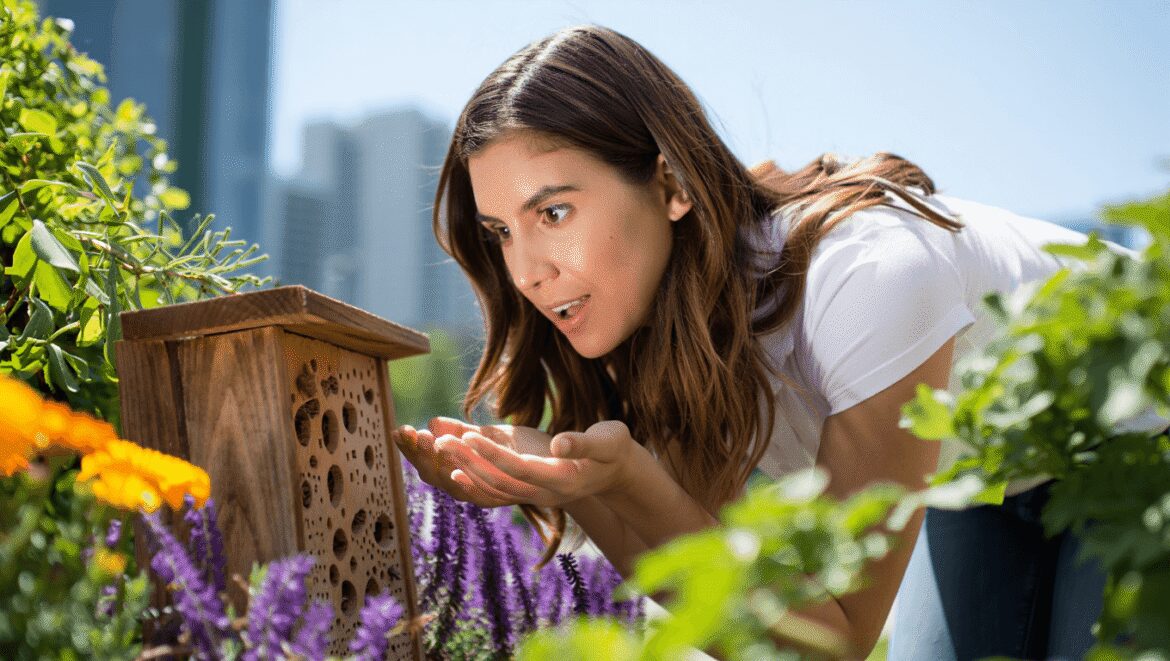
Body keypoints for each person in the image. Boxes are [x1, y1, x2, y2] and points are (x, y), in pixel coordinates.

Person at [391, 23, 1169, 659]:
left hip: (1144, 440)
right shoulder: (666, 335)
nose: (526, 272)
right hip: (984, 481)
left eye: (553, 213)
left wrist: (626, 477)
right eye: (500, 233)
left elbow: (836, 638)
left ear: (670, 186)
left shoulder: (867, 278)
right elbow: (769, 626)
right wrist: (591, 484)